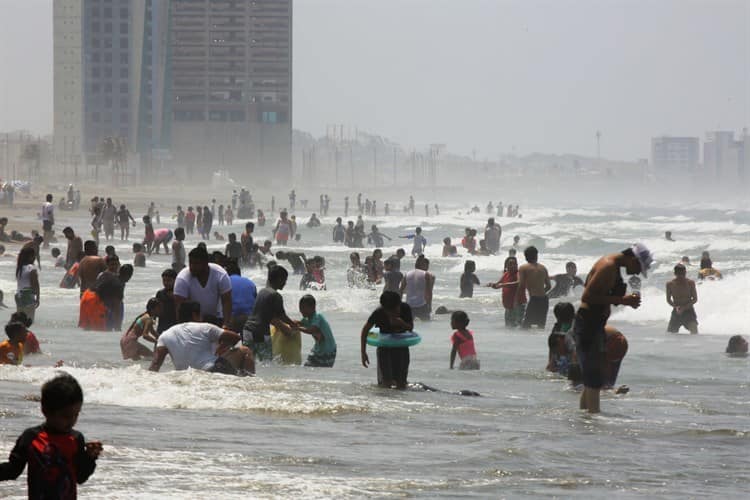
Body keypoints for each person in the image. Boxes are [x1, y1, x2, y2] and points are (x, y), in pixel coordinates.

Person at [574, 243, 651, 413]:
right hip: (588, 323)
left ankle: (584, 420)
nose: (638, 272)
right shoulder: (608, 266)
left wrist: (622, 299)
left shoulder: (613, 267)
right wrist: (623, 300)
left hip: (594, 324)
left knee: (591, 379)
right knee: (593, 379)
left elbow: (600, 294)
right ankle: (594, 421)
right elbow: (587, 296)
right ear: (632, 258)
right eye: (638, 267)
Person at [0, 373, 102, 496]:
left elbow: (80, 477)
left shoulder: (76, 439)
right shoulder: (31, 437)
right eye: (66, 416)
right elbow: (12, 470)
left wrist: (90, 457)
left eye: (76, 414)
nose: (72, 421)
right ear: (45, 410)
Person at [149, 301, 254, 375]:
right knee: (245, 351)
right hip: (213, 370)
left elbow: (155, 365)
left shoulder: (165, 335)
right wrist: (220, 349)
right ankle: (249, 385)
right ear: (195, 315)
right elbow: (235, 337)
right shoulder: (205, 327)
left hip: (185, 376)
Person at [360, 291, 414, 389]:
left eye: (395, 310)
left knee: (401, 382)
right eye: (389, 311)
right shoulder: (379, 313)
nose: (393, 313)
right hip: (384, 347)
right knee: (386, 382)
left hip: (401, 347)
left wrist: (401, 323)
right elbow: (365, 330)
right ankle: (385, 401)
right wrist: (363, 353)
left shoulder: (405, 309)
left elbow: (410, 328)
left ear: (399, 304)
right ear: (384, 308)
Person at [243, 265, 298, 361]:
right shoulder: (275, 295)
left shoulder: (262, 292)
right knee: (266, 362)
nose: (285, 283)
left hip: (247, 330)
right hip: (260, 332)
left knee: (248, 360)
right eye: (285, 279)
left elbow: (268, 316)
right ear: (279, 279)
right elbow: (282, 316)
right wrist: (293, 325)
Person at [174, 246, 233, 326]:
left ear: (206, 263)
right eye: (190, 263)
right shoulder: (182, 278)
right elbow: (179, 307)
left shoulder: (220, 275)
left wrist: (226, 324)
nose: (192, 267)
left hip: (216, 318)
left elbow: (226, 301)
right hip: (192, 322)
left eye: (196, 263)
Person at [515, 246, 551, 329]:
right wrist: (541, 293)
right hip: (544, 299)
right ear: (536, 255)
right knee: (541, 326)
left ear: (526, 257)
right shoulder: (543, 268)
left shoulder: (523, 268)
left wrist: (516, 300)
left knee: (525, 326)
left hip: (534, 299)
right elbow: (549, 286)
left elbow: (521, 285)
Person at [297, 294, 337, 367]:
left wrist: (297, 328)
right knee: (307, 366)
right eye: (300, 308)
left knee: (322, 369)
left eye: (303, 308)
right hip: (318, 350)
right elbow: (298, 323)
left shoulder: (317, 317)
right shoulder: (308, 318)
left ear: (312, 307)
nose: (301, 310)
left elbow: (311, 330)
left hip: (328, 351)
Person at [489, 256, 525, 327]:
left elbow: (518, 282)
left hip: (517, 305)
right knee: (508, 328)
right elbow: (498, 285)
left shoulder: (518, 273)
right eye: (510, 264)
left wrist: (503, 284)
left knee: (517, 327)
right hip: (508, 307)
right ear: (506, 266)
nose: (512, 265)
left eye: (514, 264)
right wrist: (492, 285)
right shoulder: (506, 274)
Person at [666, 263, 699, 334]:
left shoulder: (690, 283)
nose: (681, 276)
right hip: (676, 312)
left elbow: (695, 299)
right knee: (670, 335)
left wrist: (684, 308)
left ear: (685, 273)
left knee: (694, 333)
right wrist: (676, 307)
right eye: (679, 274)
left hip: (689, 311)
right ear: (675, 273)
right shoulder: (670, 284)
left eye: (682, 274)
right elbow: (668, 300)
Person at [225, 260, 257, 333]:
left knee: (229, 342)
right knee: (247, 342)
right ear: (240, 273)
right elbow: (256, 302)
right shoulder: (250, 283)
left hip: (232, 318)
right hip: (249, 318)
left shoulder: (225, 282)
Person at [546, 302, 577, 376]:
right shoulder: (557, 326)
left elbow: (574, 350)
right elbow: (553, 345)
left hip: (573, 352)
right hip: (564, 353)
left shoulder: (577, 325)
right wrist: (551, 362)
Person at [401, 255, 434, 321]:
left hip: (409, 305)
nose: (427, 267)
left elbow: (401, 290)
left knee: (408, 325)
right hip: (422, 305)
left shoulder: (407, 274)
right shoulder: (427, 275)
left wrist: (398, 304)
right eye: (427, 265)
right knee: (426, 325)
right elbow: (429, 292)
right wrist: (429, 305)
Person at [15, 246, 40, 321]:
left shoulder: (20, 268)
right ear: (30, 256)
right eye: (34, 255)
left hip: (18, 295)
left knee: (20, 321)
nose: (35, 257)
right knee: (29, 321)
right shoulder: (31, 268)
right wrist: (38, 297)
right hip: (28, 294)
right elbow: (35, 284)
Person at [156, 269, 178, 336]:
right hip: (162, 326)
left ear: (175, 280)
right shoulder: (160, 294)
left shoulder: (179, 294)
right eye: (164, 280)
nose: (166, 283)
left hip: (175, 327)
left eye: (168, 280)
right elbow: (155, 309)